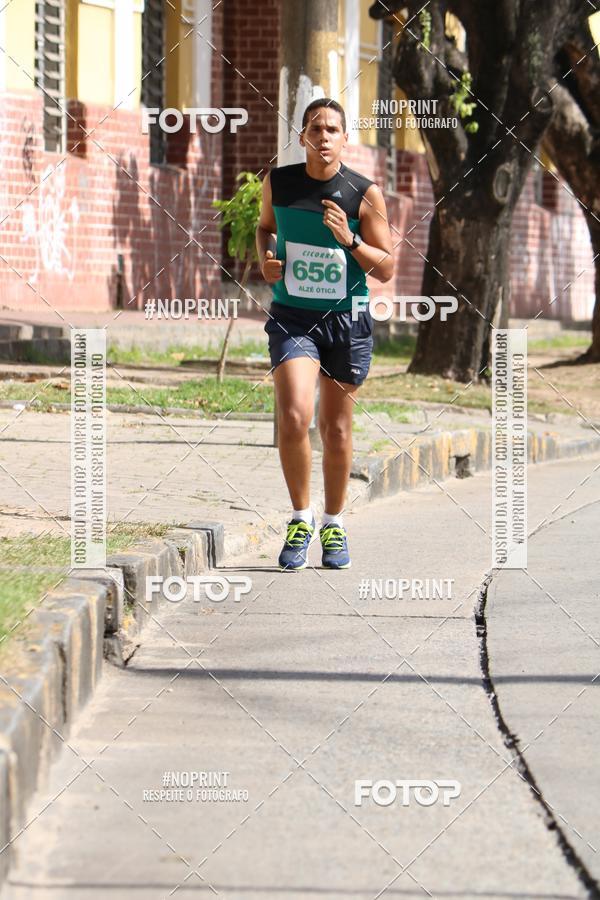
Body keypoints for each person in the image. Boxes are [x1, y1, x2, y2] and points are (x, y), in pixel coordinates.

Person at [256, 97, 393, 571]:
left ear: (344, 138)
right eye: (316, 128)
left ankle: (333, 522)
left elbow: (389, 267)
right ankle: (300, 517)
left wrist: (350, 239)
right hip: (294, 317)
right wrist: (266, 259)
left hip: (347, 320)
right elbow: (264, 228)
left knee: (336, 430)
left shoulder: (363, 192)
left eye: (333, 129)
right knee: (295, 415)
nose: (324, 136)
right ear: (303, 137)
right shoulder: (279, 182)